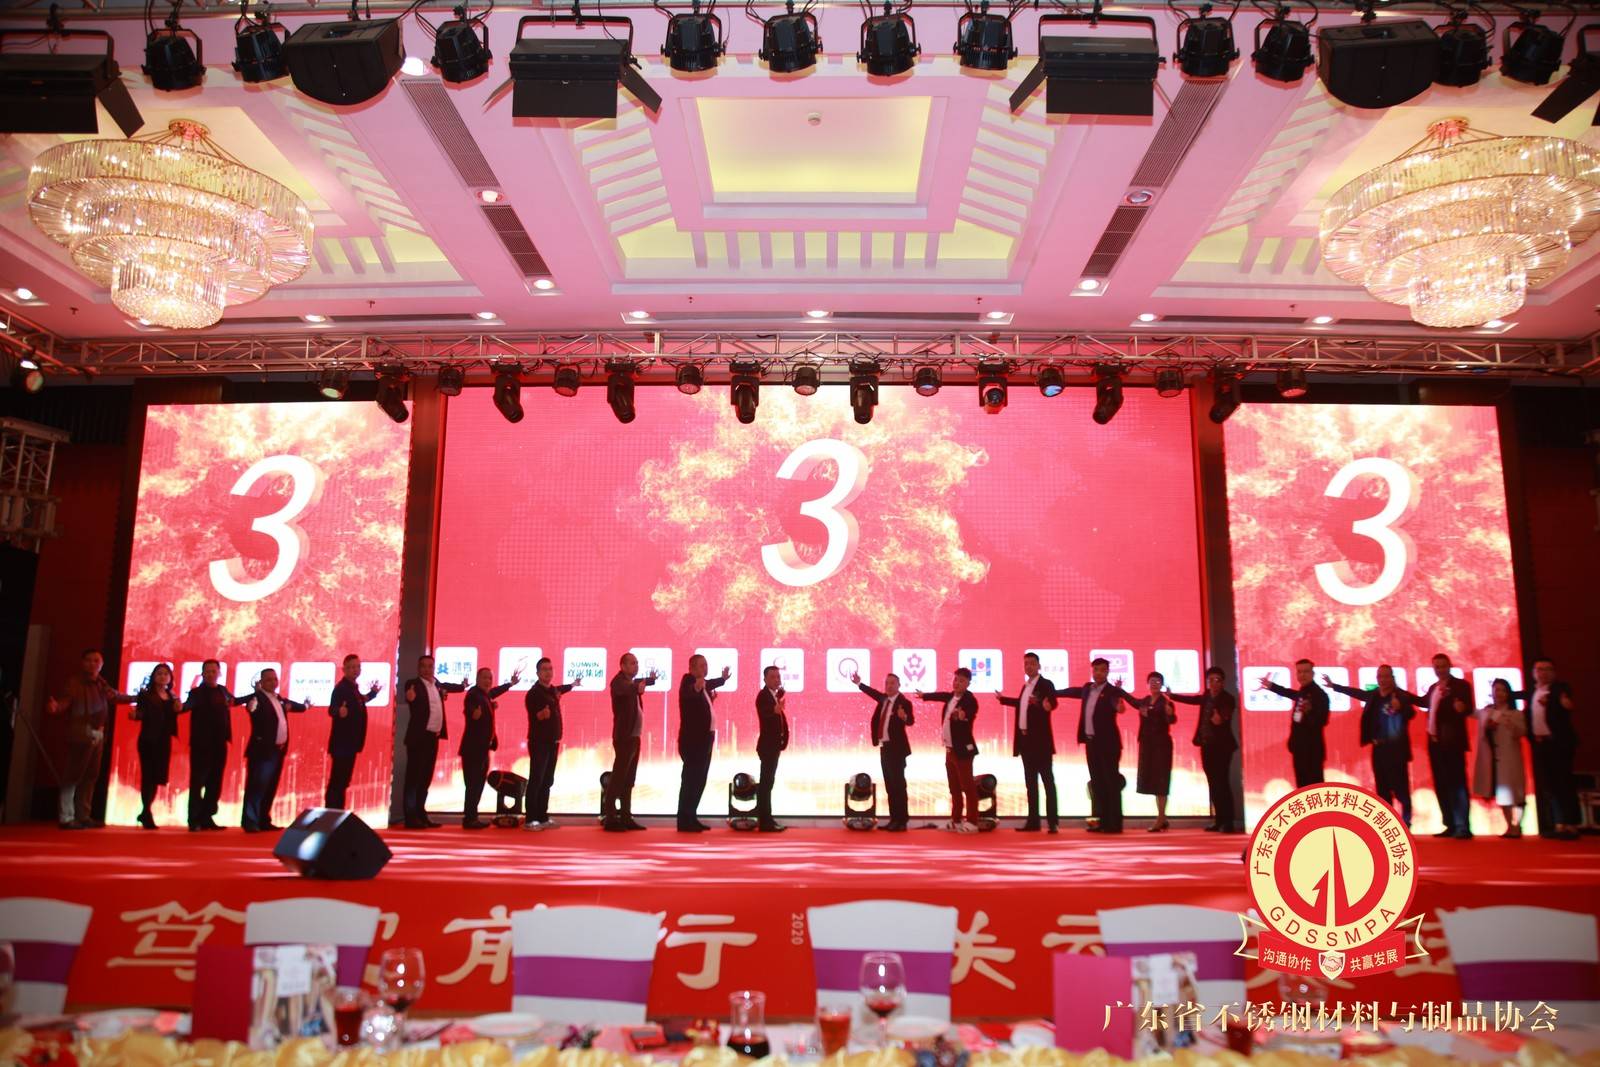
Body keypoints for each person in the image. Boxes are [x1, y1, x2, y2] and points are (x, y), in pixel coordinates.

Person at [45, 649, 135, 830]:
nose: (93, 664)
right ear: (82, 662)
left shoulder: (101, 683)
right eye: (89, 660)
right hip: (81, 733)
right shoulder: (74, 682)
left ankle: (83, 815)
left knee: (90, 776)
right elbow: (65, 702)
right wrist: (56, 707)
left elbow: (115, 697)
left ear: (101, 664)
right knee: (73, 775)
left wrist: (138, 697)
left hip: (98, 734)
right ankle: (66, 816)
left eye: (96, 661)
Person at [1323, 666, 1418, 827]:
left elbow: (1411, 713)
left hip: (1396, 750)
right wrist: (1334, 686)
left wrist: (1400, 707)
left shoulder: (1400, 696)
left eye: (1386, 676)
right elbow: (1357, 693)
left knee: (1400, 787)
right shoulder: (1374, 695)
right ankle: (1389, 822)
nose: (1383, 680)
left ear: (1392, 678)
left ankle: (1406, 821)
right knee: (1382, 787)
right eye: (1380, 677)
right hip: (1379, 749)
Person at [1061, 658, 1136, 834]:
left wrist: (1120, 704)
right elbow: (1071, 691)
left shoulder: (1113, 691)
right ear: (1092, 671)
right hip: (1091, 742)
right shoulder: (1088, 688)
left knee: (1111, 783)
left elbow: (1122, 707)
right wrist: (1052, 692)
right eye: (1096, 669)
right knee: (1097, 782)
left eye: (1102, 670)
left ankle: (1114, 824)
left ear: (1107, 672)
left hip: (1108, 744)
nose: (1099, 673)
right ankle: (1100, 821)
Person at [997, 652, 1060, 833]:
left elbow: (1052, 701)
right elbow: (1021, 704)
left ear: (1039, 666)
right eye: (1026, 663)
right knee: (1030, 783)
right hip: (1025, 742)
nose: (1029, 666)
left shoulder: (1046, 684)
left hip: (1041, 742)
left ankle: (1053, 822)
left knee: (1047, 782)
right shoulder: (1026, 686)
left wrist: (1047, 705)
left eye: (1032, 663)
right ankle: (1033, 822)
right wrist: (1003, 699)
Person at [239, 667, 308, 833]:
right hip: (262, 751)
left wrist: (306, 706)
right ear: (261, 682)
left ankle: (264, 819)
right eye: (268, 679)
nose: (272, 682)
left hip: (278, 750)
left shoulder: (279, 699)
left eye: (274, 679)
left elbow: (294, 706)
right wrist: (253, 701)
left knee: (270, 786)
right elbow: (252, 709)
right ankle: (250, 821)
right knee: (257, 787)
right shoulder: (257, 698)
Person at [401, 655, 467, 829]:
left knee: (425, 778)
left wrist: (463, 686)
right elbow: (409, 695)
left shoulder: (436, 684)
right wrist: (410, 697)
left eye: (430, 666)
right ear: (418, 668)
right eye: (423, 666)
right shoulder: (413, 684)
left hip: (433, 738)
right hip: (418, 738)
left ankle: (421, 814)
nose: (427, 669)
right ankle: (410, 817)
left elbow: (449, 687)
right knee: (414, 779)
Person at [1170, 667, 1238, 832]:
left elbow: (1226, 714)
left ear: (1223, 682)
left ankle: (1228, 822)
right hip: (1206, 745)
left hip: (1222, 747)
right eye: (1211, 680)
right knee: (1212, 783)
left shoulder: (1228, 698)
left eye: (1217, 680)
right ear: (1207, 682)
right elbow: (1193, 700)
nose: (1214, 683)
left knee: (1222, 782)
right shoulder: (1207, 696)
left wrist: (1220, 719)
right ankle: (1219, 820)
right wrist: (1172, 696)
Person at [916, 667, 980, 833]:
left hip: (963, 751)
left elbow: (970, 712)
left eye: (961, 681)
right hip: (950, 750)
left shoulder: (970, 700)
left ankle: (972, 822)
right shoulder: (951, 696)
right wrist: (924, 696)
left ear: (968, 683)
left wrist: (963, 715)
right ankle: (956, 820)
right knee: (954, 788)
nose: (957, 683)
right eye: (956, 679)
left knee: (968, 787)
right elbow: (940, 696)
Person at [1523, 658, 1580, 840]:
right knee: (1549, 784)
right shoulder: (1532, 692)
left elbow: (1568, 704)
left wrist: (1562, 701)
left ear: (1554, 672)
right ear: (1533, 673)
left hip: (1559, 743)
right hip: (1541, 744)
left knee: (1564, 783)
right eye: (1539, 669)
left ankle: (1571, 824)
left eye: (1547, 669)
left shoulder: (1559, 689)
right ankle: (1558, 823)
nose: (1543, 673)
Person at [851, 670, 915, 831]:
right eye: (887, 683)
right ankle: (894, 819)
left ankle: (902, 821)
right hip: (884, 748)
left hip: (897, 750)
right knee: (890, 786)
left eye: (892, 683)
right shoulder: (884, 699)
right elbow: (872, 693)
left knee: (898, 786)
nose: (889, 686)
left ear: (899, 685)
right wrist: (859, 683)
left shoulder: (904, 703)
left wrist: (904, 717)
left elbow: (911, 721)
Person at [184, 659, 243, 832]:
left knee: (215, 782)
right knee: (198, 782)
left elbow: (234, 701)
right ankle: (194, 819)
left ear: (219, 673)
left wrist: (255, 693)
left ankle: (207, 817)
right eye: (207, 671)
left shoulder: (223, 691)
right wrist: (179, 707)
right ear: (202, 673)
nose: (210, 674)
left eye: (213, 671)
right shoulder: (196, 693)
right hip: (201, 744)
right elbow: (187, 706)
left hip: (219, 743)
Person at [1421, 652, 1474, 839]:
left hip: (1453, 742)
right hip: (1435, 743)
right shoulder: (1433, 688)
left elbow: (1468, 707)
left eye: (1443, 666)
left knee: (1457, 784)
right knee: (1441, 783)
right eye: (1437, 667)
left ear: (1450, 666)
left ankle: (1463, 826)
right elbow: (1422, 702)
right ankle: (1450, 824)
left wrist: (1462, 708)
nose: (1440, 670)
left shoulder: (1461, 685)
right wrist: (1398, 692)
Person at [676, 655, 731, 833]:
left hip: (705, 739)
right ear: (691, 668)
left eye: (706, 665)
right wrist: (697, 687)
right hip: (693, 741)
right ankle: (684, 820)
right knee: (690, 780)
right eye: (701, 665)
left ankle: (691, 817)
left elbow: (710, 683)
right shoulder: (688, 681)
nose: (704, 668)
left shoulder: (704, 684)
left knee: (699, 780)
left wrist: (722, 679)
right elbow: (689, 692)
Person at [460, 665, 519, 829]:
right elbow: (470, 709)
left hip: (482, 748)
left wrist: (509, 684)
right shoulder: (473, 694)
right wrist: (474, 714)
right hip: (473, 749)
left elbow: (494, 692)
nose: (488, 681)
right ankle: (469, 818)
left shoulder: (484, 695)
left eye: (490, 678)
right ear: (477, 679)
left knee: (478, 784)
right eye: (484, 677)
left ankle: (472, 817)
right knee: (473, 784)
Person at [524, 658, 578, 831]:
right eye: (544, 669)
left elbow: (561, 689)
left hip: (553, 742)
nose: (548, 672)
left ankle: (542, 816)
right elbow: (535, 716)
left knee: (547, 780)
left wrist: (573, 685)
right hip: (539, 742)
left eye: (550, 668)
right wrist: (542, 714)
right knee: (537, 780)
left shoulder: (552, 690)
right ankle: (530, 819)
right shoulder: (534, 693)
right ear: (538, 673)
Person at [604, 653, 656, 832]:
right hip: (624, 737)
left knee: (628, 779)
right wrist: (639, 686)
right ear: (623, 666)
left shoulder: (631, 682)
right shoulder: (618, 682)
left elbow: (639, 684)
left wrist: (651, 680)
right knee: (618, 778)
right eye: (632, 663)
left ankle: (626, 816)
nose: (636, 666)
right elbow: (628, 688)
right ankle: (610, 818)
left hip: (634, 736)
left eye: (637, 663)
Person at [1258, 659, 1331, 787]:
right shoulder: (1303, 691)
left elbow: (1322, 721)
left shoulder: (1320, 695)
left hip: (1312, 751)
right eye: (1299, 672)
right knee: (1302, 788)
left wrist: (1309, 712)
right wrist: (1271, 686)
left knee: (1313, 789)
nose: (1302, 675)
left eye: (1306, 672)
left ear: (1312, 674)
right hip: (1300, 749)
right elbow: (1291, 693)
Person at [326, 655, 381, 810]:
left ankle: (338, 812)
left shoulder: (353, 688)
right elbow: (332, 709)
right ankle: (332, 813)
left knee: (343, 781)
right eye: (351, 667)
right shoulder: (341, 688)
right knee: (338, 782)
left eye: (357, 666)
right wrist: (338, 711)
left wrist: (373, 693)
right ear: (344, 669)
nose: (354, 670)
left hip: (351, 744)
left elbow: (361, 701)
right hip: (342, 744)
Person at [1474, 679, 1528, 839]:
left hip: (1511, 757)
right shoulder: (1487, 712)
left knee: (1517, 793)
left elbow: (1521, 732)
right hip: (1494, 758)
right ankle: (1509, 826)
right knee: (1503, 794)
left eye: (1503, 690)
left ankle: (1518, 825)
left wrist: (1509, 723)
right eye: (1496, 690)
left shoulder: (1515, 713)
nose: (1499, 693)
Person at [1124, 672, 1177, 832]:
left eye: (1158, 681)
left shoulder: (1166, 702)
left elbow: (1172, 720)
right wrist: (1119, 690)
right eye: (1152, 681)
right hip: (1147, 745)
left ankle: (1160, 818)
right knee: (1154, 782)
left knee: (1161, 781)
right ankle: (1163, 818)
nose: (1154, 684)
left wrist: (1170, 714)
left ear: (1162, 685)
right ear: (1147, 684)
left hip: (1161, 745)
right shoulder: (1145, 701)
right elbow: (1131, 700)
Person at [131, 662, 181, 830]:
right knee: (148, 777)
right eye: (159, 673)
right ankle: (146, 812)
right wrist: (135, 715)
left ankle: (145, 812)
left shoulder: (172, 696)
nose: (162, 676)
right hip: (148, 739)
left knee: (157, 778)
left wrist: (178, 708)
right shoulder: (146, 695)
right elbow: (141, 713)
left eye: (166, 674)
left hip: (164, 741)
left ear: (170, 678)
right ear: (153, 677)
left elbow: (174, 715)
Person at [754, 666, 790, 833]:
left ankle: (767, 819)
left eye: (778, 676)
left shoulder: (773, 696)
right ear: (765, 679)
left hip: (773, 745)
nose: (777, 680)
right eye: (773, 677)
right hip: (767, 746)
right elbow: (765, 714)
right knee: (766, 784)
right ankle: (764, 821)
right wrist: (775, 709)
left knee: (768, 783)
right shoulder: (763, 696)